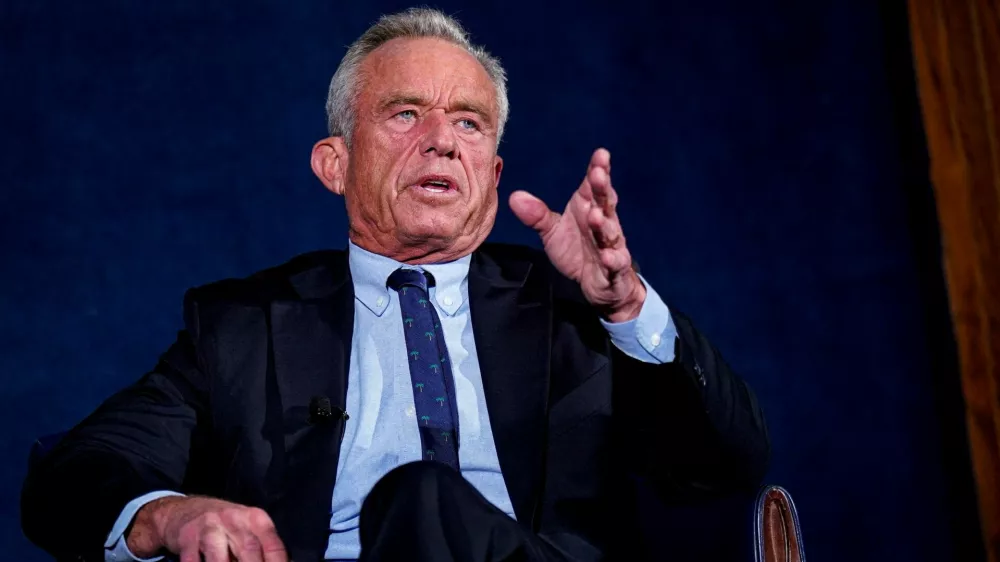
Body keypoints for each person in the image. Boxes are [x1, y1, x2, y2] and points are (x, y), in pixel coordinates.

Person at [21, 8, 770, 562]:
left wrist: (629, 308)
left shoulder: (572, 307)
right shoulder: (243, 327)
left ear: (493, 174)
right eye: (405, 113)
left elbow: (725, 469)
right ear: (334, 164)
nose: (442, 138)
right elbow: (74, 474)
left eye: (470, 124)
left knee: (424, 501)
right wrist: (169, 515)